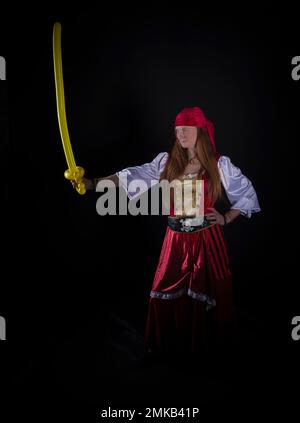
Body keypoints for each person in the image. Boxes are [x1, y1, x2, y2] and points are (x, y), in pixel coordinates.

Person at [72, 106, 261, 357]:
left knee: (206, 294)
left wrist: (226, 217)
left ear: (200, 130)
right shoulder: (167, 162)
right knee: (168, 291)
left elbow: (246, 193)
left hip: (207, 241)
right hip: (175, 242)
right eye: (177, 128)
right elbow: (131, 175)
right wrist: (93, 183)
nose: (180, 133)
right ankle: (173, 345)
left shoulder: (218, 164)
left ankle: (205, 349)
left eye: (186, 128)